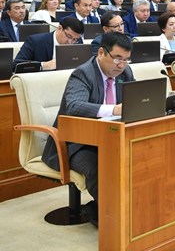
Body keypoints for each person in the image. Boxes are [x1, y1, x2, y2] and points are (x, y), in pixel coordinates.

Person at [41, 32, 135, 228]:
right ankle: (114, 220)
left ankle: (130, 210)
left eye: (126, 60)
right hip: (76, 143)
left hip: (110, 138)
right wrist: (114, 109)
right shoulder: (83, 73)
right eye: (117, 58)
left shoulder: (125, 72)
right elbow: (74, 106)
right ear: (101, 52)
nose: (121, 65)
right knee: (99, 168)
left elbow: (135, 101)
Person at [13, 17, 84, 71]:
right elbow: (16, 65)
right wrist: (43, 65)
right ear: (60, 28)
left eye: (75, 39)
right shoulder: (35, 41)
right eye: (68, 36)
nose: (70, 42)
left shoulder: (78, 42)